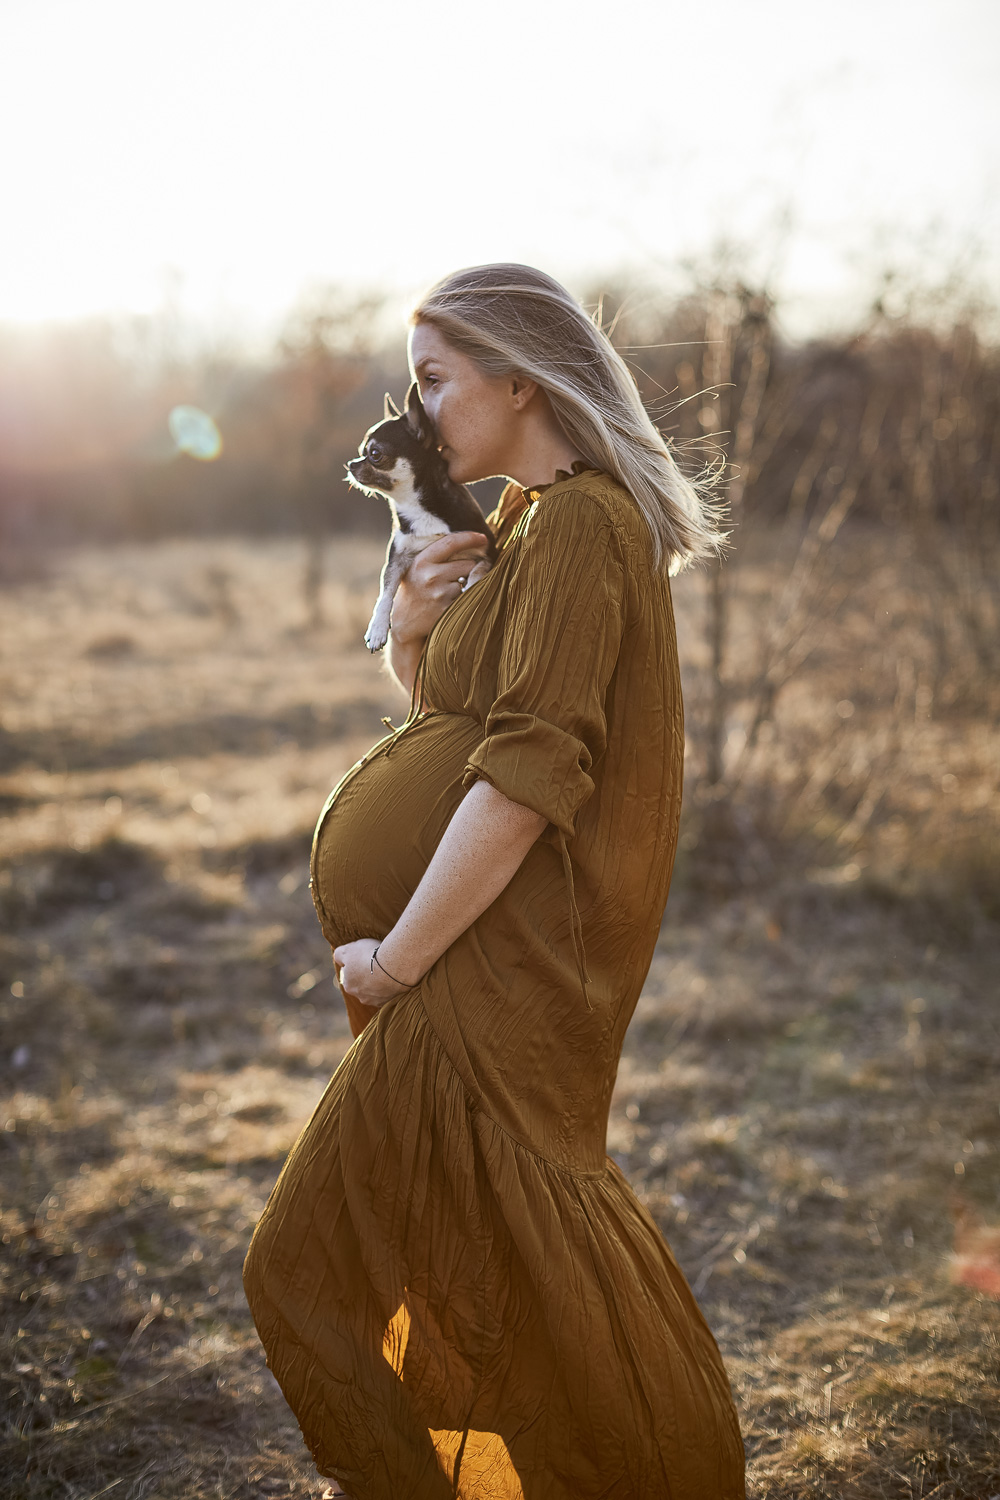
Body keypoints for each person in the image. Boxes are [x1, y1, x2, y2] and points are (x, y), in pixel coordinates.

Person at [243, 264, 746, 1499]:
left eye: (434, 380)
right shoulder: (525, 521)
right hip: (469, 973)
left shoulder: (579, 524)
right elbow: (457, 730)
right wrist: (412, 630)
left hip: (485, 979)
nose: (418, 413)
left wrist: (397, 961)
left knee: (306, 1277)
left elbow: (524, 785)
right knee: (487, 1283)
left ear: (519, 377)